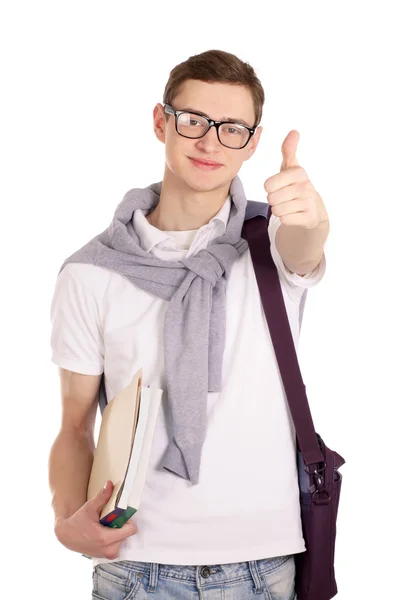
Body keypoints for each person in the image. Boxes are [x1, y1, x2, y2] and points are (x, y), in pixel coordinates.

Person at [48, 49, 329, 600]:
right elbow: (75, 424)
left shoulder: (269, 242)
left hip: (262, 563)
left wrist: (313, 218)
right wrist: (66, 522)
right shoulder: (89, 272)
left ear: (252, 142)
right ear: (162, 122)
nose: (209, 141)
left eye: (232, 129)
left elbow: (304, 246)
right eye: (193, 120)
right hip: (135, 564)